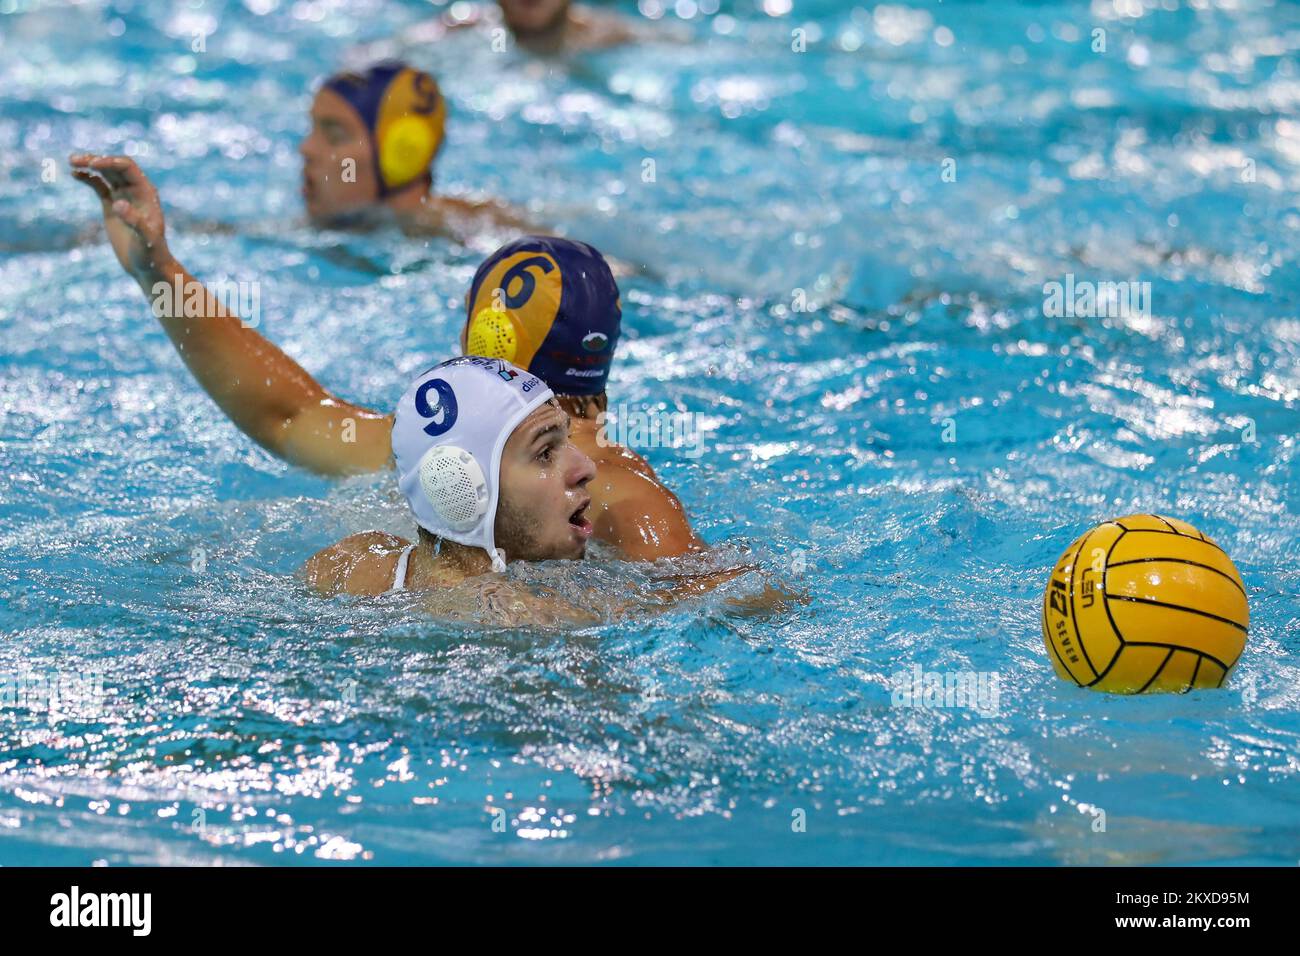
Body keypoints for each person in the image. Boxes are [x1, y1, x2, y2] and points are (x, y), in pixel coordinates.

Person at [70, 153, 700, 560]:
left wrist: (159, 269)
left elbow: (286, 415)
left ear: (485, 344)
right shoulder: (637, 500)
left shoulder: (430, 452)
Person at [300, 61, 532, 239]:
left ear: (402, 154)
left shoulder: (480, 233)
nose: (307, 149)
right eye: (313, 130)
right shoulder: (315, 233)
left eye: (335, 135)